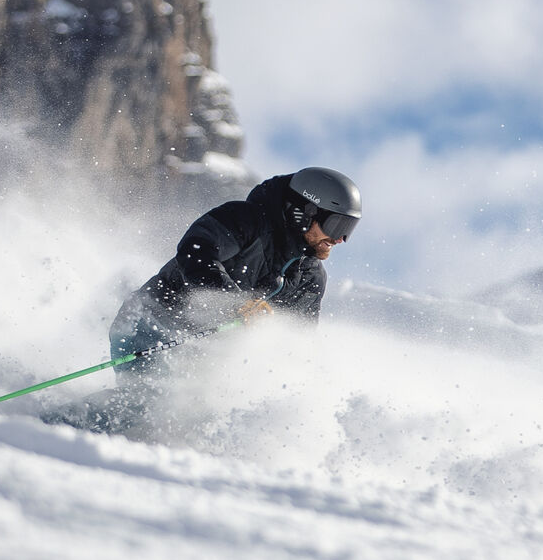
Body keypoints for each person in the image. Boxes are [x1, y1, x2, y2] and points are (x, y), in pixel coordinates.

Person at [96, 167, 363, 425]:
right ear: (303, 212)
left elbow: (297, 343)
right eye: (336, 224)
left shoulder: (310, 278)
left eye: (348, 229)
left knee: (203, 421)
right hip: (152, 323)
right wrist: (231, 301)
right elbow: (196, 251)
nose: (340, 239)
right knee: (147, 407)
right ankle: (62, 428)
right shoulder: (245, 219)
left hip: (200, 357)